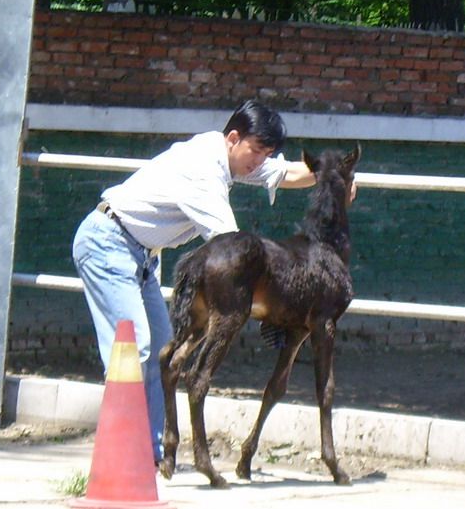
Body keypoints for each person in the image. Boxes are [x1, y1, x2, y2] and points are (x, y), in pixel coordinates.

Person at [71, 100, 326, 462]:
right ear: (233, 138)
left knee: (164, 351)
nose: (259, 161)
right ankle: (121, 457)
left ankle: (150, 455)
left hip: (142, 255)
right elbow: (232, 247)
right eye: (256, 151)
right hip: (108, 244)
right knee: (133, 348)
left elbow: (283, 174)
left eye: (266, 153)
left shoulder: (229, 156)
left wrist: (333, 175)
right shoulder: (203, 171)